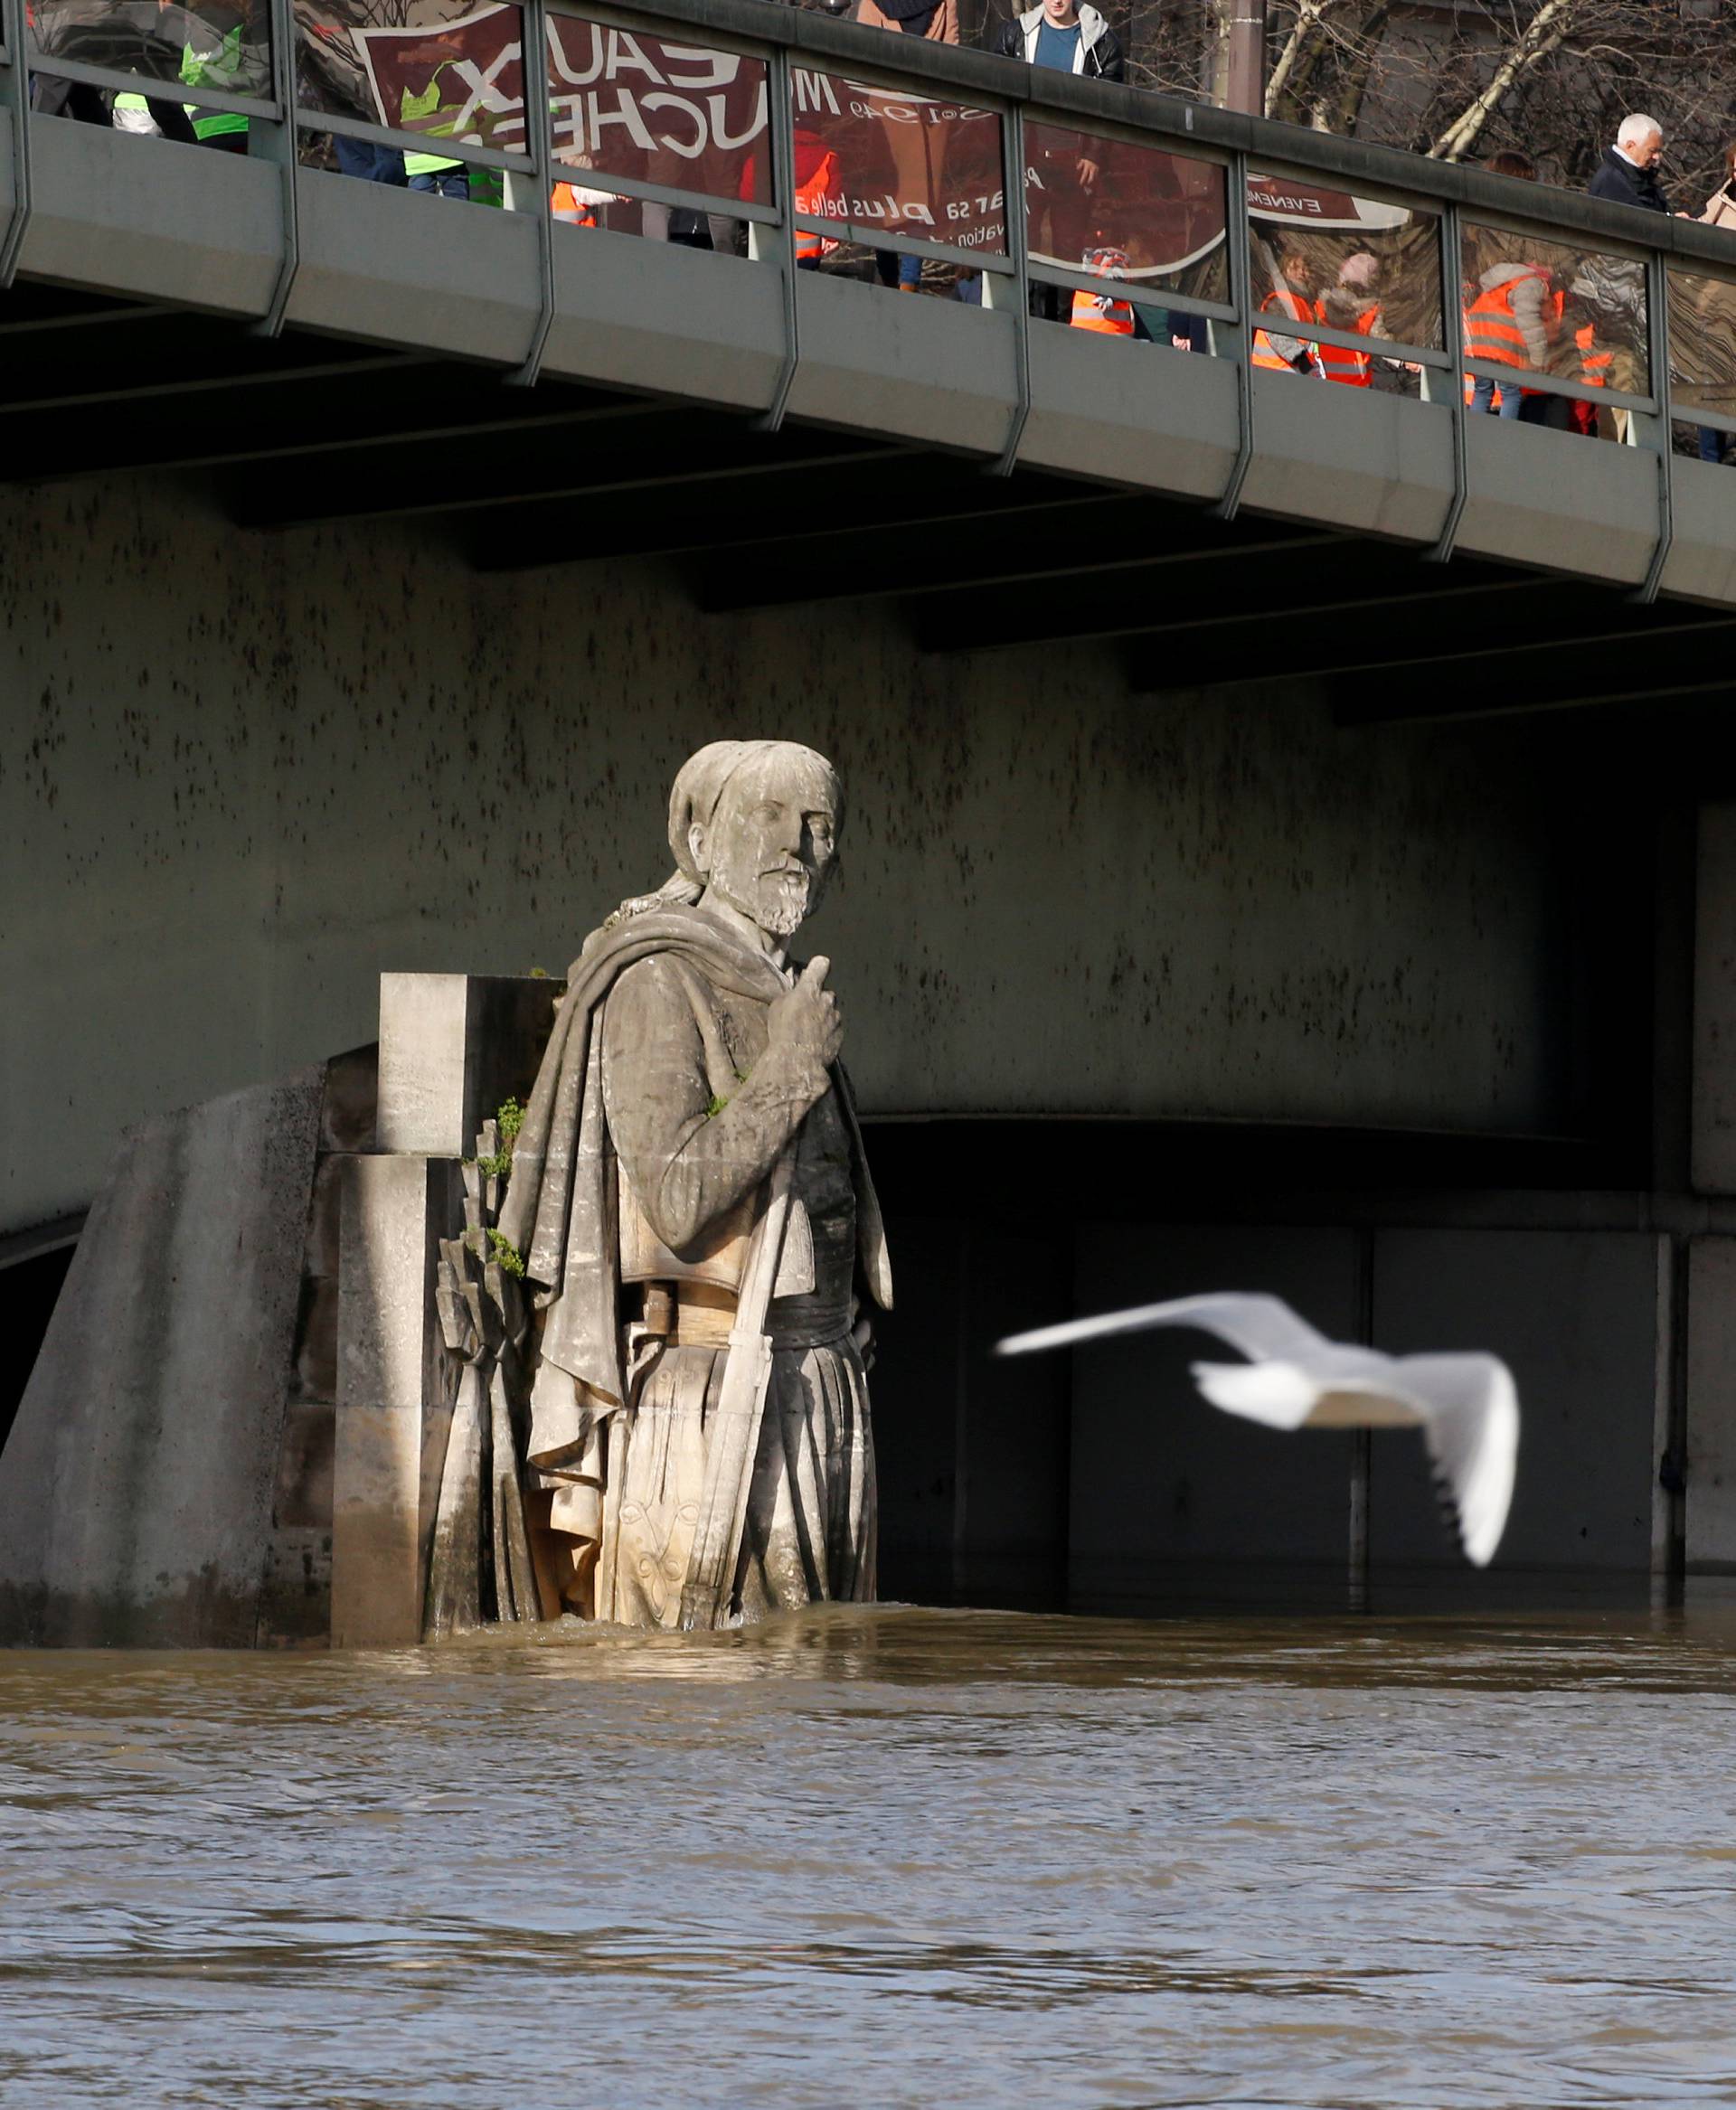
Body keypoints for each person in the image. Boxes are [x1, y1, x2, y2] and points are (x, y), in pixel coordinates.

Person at [496, 739, 891, 1628]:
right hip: (710, 1395)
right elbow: (675, 1199)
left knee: (816, 1696)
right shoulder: (658, 980)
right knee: (696, 1695)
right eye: (770, 817)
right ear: (696, 838)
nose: (796, 844)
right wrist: (791, 1070)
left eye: (819, 826)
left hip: (815, 1384)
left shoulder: (778, 986)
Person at [991, 0, 1125, 319]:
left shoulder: (1102, 43)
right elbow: (992, 90)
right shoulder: (1016, 36)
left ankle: (1058, 327)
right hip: (1027, 158)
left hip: (1075, 165)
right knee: (1024, 244)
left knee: (1067, 251)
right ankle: (1024, 322)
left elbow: (1110, 107)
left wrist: (1093, 154)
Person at [857, 0, 959, 292]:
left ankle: (904, 281)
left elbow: (953, 52)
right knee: (893, 199)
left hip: (915, 112)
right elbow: (861, 49)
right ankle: (896, 279)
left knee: (910, 203)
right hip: (899, 113)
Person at [1469, 151, 1539, 414]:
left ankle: (1473, 435)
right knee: (1511, 391)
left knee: (1482, 388)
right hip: (1506, 319)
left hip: (1480, 320)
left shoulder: (1476, 224)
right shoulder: (1512, 229)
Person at [1251, 250, 1320, 375]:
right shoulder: (1279, 299)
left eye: (1305, 269)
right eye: (1295, 267)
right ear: (1284, 273)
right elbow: (1277, 332)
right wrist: (1302, 360)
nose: (1301, 273)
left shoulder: (1305, 304)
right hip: (1271, 373)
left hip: (1290, 374)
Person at [1588, 113, 1672, 215]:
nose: (1657, 157)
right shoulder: (1610, 182)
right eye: (1652, 151)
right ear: (1630, 146)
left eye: (1659, 151)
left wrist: (1674, 221)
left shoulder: (1643, 179)